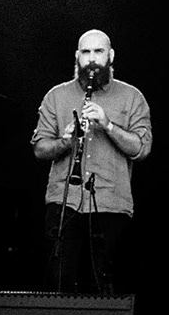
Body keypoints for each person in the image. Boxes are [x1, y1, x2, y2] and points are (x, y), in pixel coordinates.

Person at [30, 28, 152, 293]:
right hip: (64, 202)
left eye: (99, 52)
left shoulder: (132, 97)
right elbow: (39, 149)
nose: (92, 59)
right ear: (77, 57)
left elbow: (141, 149)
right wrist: (65, 141)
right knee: (58, 284)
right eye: (86, 52)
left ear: (110, 55)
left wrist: (107, 125)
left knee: (103, 288)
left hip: (110, 204)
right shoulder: (56, 96)